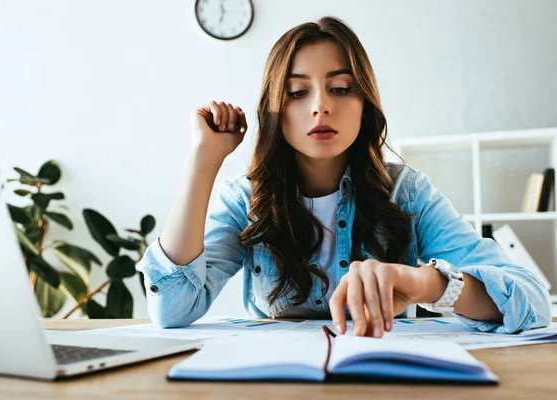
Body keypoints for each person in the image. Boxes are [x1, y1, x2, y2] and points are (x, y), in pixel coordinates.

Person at [136, 16, 552, 337]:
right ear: (274, 110)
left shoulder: (406, 192)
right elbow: (172, 310)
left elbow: (531, 299)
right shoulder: (247, 200)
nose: (320, 107)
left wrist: (424, 282)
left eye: (340, 88)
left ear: (365, 104)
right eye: (298, 92)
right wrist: (202, 162)